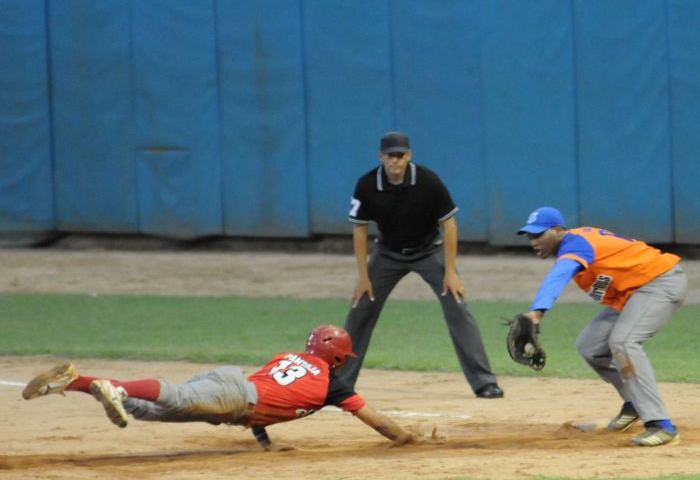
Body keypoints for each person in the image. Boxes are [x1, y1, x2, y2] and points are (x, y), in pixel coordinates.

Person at [22, 325, 428, 451]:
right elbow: (378, 423)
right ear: (339, 356)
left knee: (151, 411)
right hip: (235, 398)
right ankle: (113, 385)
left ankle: (77, 383)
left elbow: (266, 397)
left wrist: (266, 443)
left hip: (233, 386)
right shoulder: (332, 385)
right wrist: (408, 439)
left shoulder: (289, 357)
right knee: (172, 398)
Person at [342, 131, 502, 399]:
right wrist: (363, 277)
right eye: (390, 156)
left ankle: (484, 382)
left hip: (429, 250)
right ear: (380, 156)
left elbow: (448, 224)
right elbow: (359, 229)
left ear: (409, 155)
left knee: (458, 306)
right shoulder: (367, 185)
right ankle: (340, 384)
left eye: (401, 155)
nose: (396, 161)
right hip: (387, 254)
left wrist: (450, 272)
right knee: (360, 309)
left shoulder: (427, 181)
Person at [516, 206, 688, 447]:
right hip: (634, 292)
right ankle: (634, 403)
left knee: (624, 342)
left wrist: (537, 311)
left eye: (538, 235)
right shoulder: (578, 245)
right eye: (530, 236)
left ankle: (661, 425)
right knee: (590, 346)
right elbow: (604, 282)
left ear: (557, 230)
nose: (533, 241)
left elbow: (558, 276)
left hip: (659, 283)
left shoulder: (575, 245)